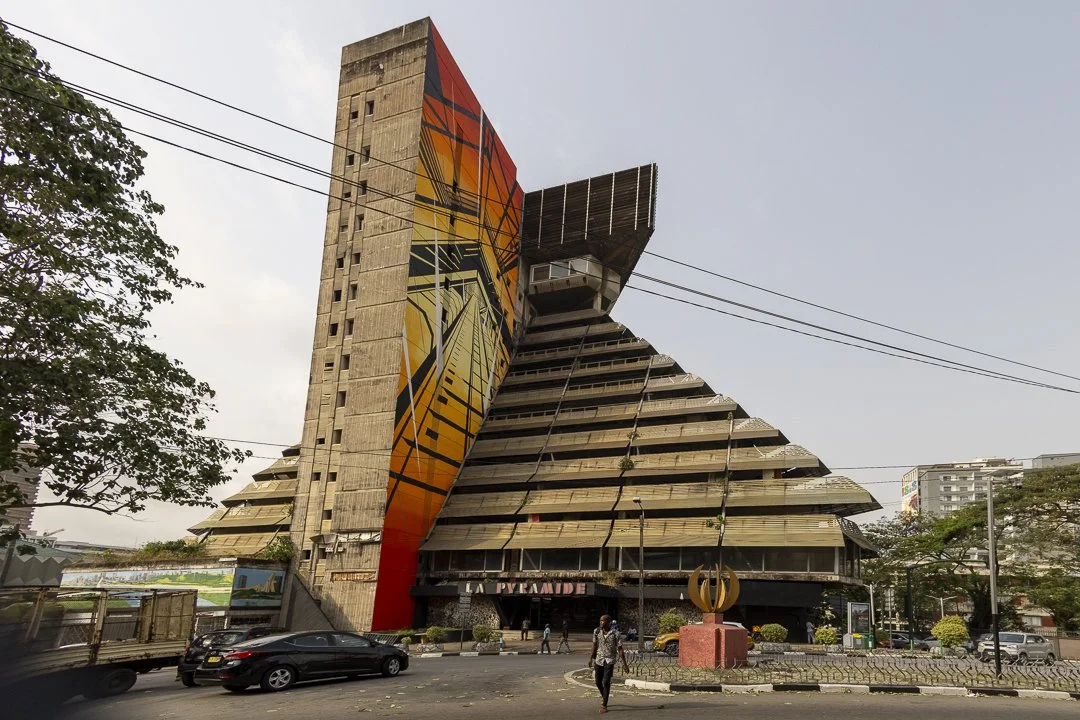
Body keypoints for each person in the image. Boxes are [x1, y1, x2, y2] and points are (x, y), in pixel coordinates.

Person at [589, 614, 629, 713]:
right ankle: (604, 696)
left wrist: (624, 664)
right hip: (599, 659)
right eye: (600, 621)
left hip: (610, 660)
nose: (601, 622)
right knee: (598, 681)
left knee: (606, 681)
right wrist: (591, 658)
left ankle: (604, 704)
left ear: (609, 622)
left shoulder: (616, 633)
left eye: (603, 621)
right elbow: (594, 645)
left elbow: (620, 649)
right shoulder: (596, 631)